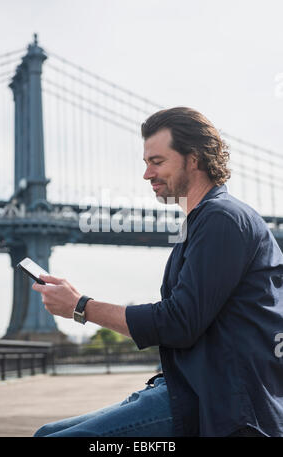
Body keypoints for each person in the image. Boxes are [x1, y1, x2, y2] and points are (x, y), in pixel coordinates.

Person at [33, 107, 283, 437]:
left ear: (193, 159)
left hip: (219, 403)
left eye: (158, 162)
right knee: (45, 432)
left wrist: (81, 306)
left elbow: (179, 323)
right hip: (186, 386)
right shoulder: (203, 222)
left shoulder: (222, 219)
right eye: (146, 163)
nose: (147, 174)